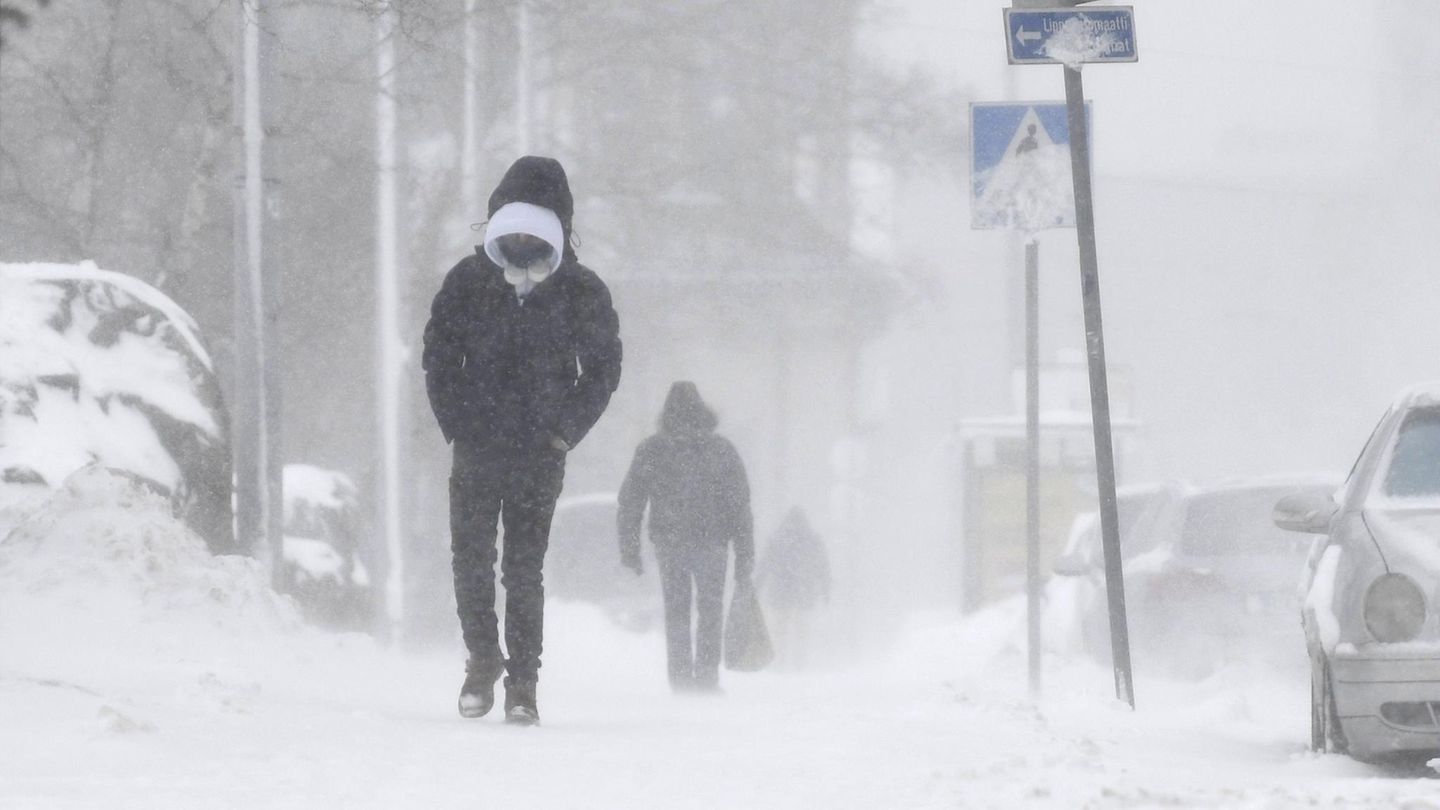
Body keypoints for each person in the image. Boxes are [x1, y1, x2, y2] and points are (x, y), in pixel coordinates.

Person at [422, 155, 622, 725]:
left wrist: (563, 432)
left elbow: (604, 367)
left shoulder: (580, 290)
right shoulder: (468, 281)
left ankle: (523, 682)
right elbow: (439, 354)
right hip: (482, 444)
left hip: (538, 450)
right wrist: (457, 420)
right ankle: (484, 663)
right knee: (472, 559)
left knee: (521, 566)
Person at [617, 382, 754, 693]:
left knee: (676, 610)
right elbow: (740, 506)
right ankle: (706, 677)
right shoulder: (721, 450)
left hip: (670, 544)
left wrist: (631, 549)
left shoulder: (653, 449)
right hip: (713, 543)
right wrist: (745, 554)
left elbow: (632, 501)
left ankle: (680, 679)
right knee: (710, 610)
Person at [756, 507, 831, 668]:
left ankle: (779, 661)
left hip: (780, 590)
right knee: (801, 629)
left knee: (779, 629)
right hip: (803, 590)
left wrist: (758, 587)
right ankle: (799, 662)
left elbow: (764, 565)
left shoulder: (776, 539)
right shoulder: (812, 540)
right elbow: (822, 567)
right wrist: (825, 589)